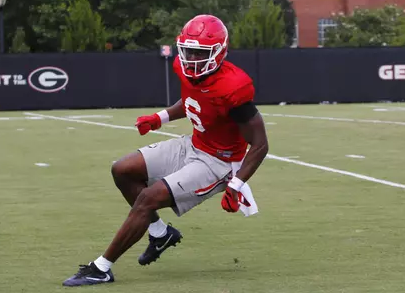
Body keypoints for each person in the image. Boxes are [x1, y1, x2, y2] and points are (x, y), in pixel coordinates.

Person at [62, 14, 269, 287]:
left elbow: (261, 144)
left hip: (219, 162)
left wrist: (237, 184)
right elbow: (193, 100)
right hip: (194, 144)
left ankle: (101, 268)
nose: (192, 59)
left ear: (219, 52)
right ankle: (160, 234)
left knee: (148, 198)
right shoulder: (184, 68)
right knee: (122, 170)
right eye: (189, 51)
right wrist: (160, 118)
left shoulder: (234, 88)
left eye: (200, 52)